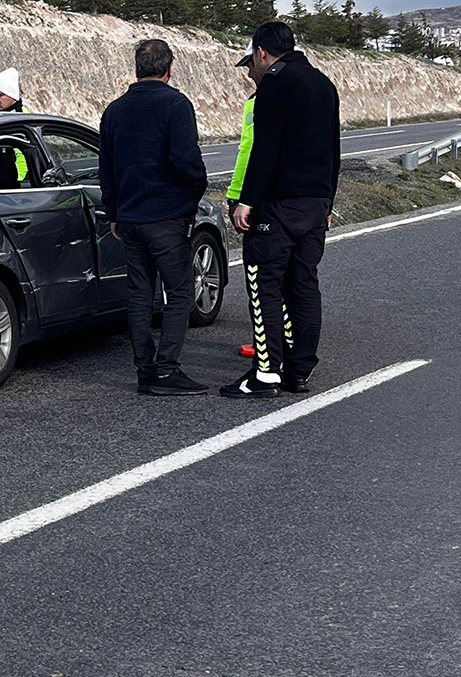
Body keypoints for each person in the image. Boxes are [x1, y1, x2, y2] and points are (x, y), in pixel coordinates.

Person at [221, 22, 340, 399]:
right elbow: (334, 149)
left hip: (279, 204)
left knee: (264, 285)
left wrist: (248, 200)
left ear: (261, 52)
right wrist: (328, 201)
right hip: (315, 204)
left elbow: (264, 148)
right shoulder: (323, 83)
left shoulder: (275, 83)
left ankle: (266, 372)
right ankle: (298, 370)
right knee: (304, 284)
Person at [99, 39, 209, 395]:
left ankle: (144, 369)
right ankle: (166, 370)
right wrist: (194, 192)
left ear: (137, 69)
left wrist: (114, 211)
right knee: (179, 291)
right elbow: (186, 160)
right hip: (166, 214)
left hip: (130, 216)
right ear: (169, 68)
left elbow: (106, 169)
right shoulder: (176, 104)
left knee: (139, 294)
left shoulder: (114, 111)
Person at [228, 39, 296, 364]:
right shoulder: (291, 96)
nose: (249, 74)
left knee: (262, 280)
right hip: (288, 200)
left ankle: (271, 348)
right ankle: (286, 341)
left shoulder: (260, 102)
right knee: (284, 278)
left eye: (250, 66)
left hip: (259, 199)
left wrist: (239, 196)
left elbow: (251, 152)